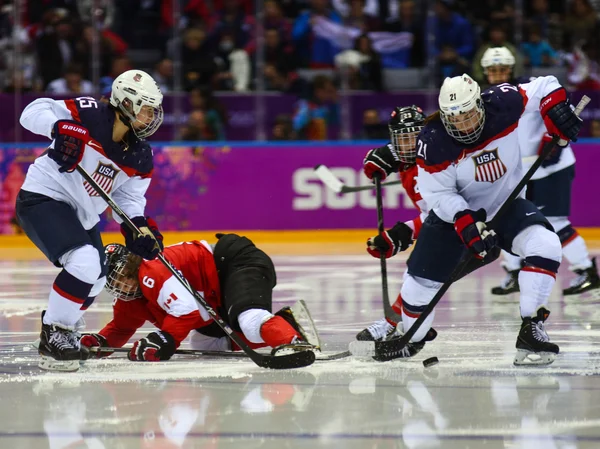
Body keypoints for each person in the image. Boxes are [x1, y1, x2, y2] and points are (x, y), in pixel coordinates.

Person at [363, 73, 582, 365]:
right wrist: (463, 219)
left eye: (467, 115)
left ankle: (532, 327)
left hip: (505, 205)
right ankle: (412, 338)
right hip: (453, 219)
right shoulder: (433, 142)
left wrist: (555, 109)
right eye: (454, 119)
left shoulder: (502, 102)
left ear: (480, 104)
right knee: (418, 286)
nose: (463, 125)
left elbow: (546, 85)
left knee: (546, 245)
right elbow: (438, 195)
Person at [16, 70, 166, 372]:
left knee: (98, 277)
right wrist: (60, 127)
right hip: (43, 197)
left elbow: (129, 198)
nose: (152, 116)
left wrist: (139, 227)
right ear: (126, 103)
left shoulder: (140, 155)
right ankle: (54, 334)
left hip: (81, 214)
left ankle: (62, 325)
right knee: (83, 262)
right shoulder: (89, 112)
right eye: (147, 108)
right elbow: (31, 113)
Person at [80, 234, 315, 362]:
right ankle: (287, 324)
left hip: (234, 263)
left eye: (120, 275)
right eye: (113, 281)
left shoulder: (150, 270)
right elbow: (121, 328)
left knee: (249, 319)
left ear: (130, 263)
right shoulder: (129, 296)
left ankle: (292, 343)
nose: (120, 284)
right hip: (214, 294)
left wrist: (165, 339)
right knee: (206, 344)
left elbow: (186, 311)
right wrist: (100, 342)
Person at [481, 47, 600, 297]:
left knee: (555, 223)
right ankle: (514, 273)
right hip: (518, 172)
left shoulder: (530, 88)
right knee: (505, 219)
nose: (498, 74)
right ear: (485, 72)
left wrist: (555, 133)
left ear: (512, 70)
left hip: (552, 166)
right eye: (493, 70)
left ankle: (586, 271)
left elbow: (555, 97)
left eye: (503, 69)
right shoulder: (483, 100)